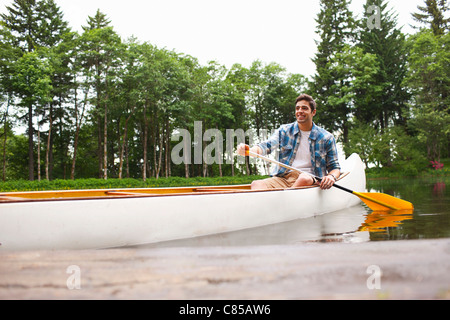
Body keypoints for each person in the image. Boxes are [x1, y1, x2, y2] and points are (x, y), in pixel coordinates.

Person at [237, 94, 341, 190]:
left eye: (304, 108)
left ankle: (284, 202)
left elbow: (335, 168)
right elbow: (266, 146)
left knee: (304, 178)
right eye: (297, 108)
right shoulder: (284, 131)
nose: (300, 111)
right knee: (256, 184)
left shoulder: (326, 137)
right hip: (285, 177)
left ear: (313, 112)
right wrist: (249, 150)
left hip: (311, 179)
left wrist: (331, 177)